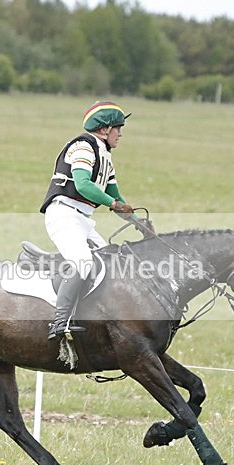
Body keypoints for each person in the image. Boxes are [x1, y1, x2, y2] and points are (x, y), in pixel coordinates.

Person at [39, 101, 152, 341]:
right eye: (118, 128)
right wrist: (113, 205)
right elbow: (83, 185)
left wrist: (138, 222)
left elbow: (116, 197)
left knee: (111, 264)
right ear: (104, 129)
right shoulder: (83, 147)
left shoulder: (105, 157)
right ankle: (59, 321)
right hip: (64, 215)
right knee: (82, 263)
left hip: (83, 220)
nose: (120, 134)